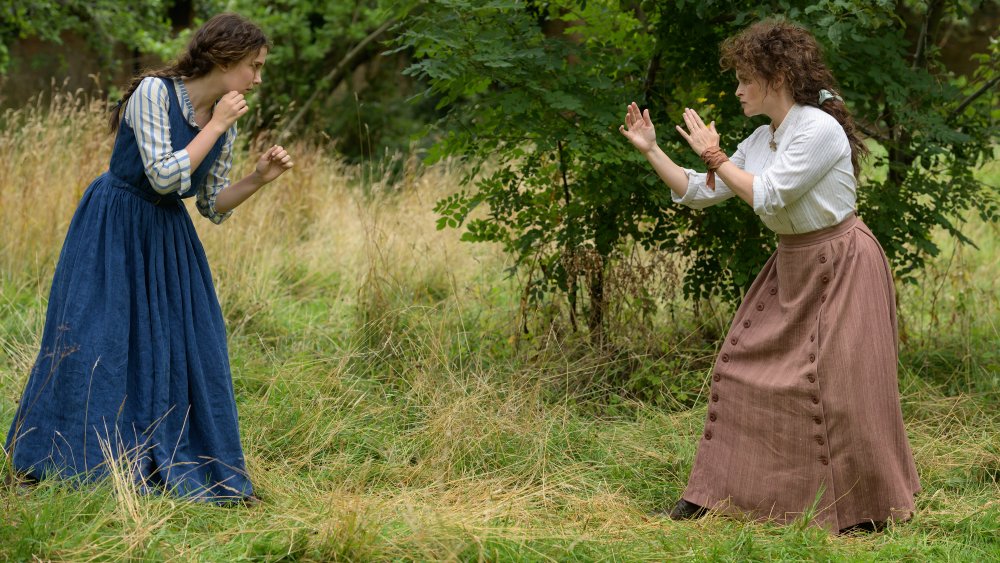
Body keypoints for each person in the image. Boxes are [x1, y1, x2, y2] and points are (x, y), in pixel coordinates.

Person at [619, 19, 919, 533]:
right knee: (738, 371)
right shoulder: (762, 137)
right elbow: (702, 191)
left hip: (843, 262)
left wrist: (713, 154)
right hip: (793, 263)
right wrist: (652, 149)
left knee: (844, 388)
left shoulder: (818, 129)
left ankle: (863, 510)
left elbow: (769, 194)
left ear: (776, 77)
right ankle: (715, 496)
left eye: (744, 78)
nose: (736, 89)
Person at [5, 13, 292, 503]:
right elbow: (162, 177)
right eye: (253, 66)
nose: (258, 78)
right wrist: (218, 123)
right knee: (98, 337)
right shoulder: (155, 94)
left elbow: (209, 204)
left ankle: (169, 456)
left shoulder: (224, 123)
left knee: (187, 342)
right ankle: (67, 459)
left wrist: (257, 180)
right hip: (113, 224)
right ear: (224, 58)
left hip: (166, 236)